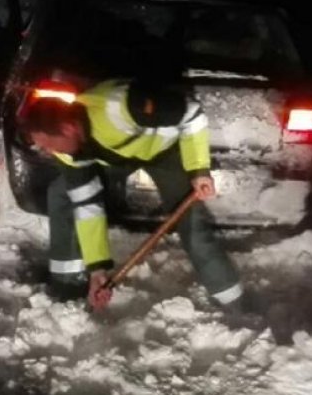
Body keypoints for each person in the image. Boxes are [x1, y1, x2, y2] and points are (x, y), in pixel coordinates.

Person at [17, 77, 242, 312]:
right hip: (120, 157)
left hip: (166, 152)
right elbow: (87, 205)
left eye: (48, 144)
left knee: (192, 223)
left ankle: (233, 301)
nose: (47, 152)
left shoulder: (120, 108)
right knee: (63, 194)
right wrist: (97, 269)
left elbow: (192, 114)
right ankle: (69, 287)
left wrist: (199, 169)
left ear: (68, 128)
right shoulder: (67, 151)